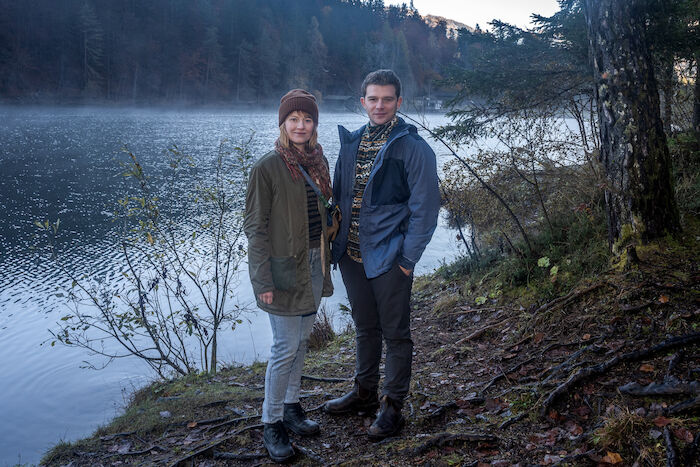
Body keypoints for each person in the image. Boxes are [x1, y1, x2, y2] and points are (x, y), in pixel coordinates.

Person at [324, 69, 440, 439]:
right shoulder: (352, 143)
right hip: (351, 256)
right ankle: (364, 393)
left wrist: (407, 261)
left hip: (390, 259)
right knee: (365, 328)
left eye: (387, 99)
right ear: (363, 102)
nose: (379, 105)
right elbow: (339, 197)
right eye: (372, 99)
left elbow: (426, 210)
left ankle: (392, 407)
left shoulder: (413, 148)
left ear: (398, 103)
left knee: (396, 334)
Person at [244, 89, 334, 462]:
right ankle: (272, 422)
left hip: (315, 263)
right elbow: (255, 228)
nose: (301, 126)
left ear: (314, 124)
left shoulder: (318, 160)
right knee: (284, 347)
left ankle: (292, 406)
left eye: (307, 119)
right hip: (282, 270)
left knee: (302, 342)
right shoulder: (267, 167)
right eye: (293, 119)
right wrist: (262, 281)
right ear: (283, 123)